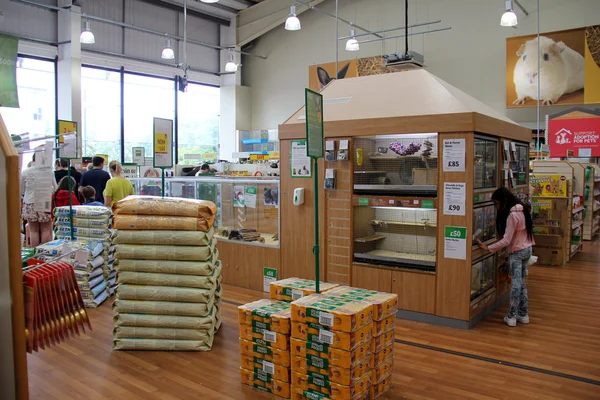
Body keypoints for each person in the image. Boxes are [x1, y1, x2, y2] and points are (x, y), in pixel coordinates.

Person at [479, 187, 535, 327]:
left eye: (496, 204)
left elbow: (506, 240)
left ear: (503, 201)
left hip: (517, 252)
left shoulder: (512, 215)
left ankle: (511, 316)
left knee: (515, 285)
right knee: (522, 283)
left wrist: (489, 248)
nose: (496, 207)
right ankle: (523, 314)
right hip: (527, 249)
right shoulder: (522, 209)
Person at [21, 153, 56, 247]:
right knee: (45, 229)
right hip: (44, 201)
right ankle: (45, 253)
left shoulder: (25, 172)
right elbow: (55, 187)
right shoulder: (48, 171)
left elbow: (21, 190)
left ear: (33, 159)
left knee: (33, 230)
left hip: (29, 202)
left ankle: (34, 252)